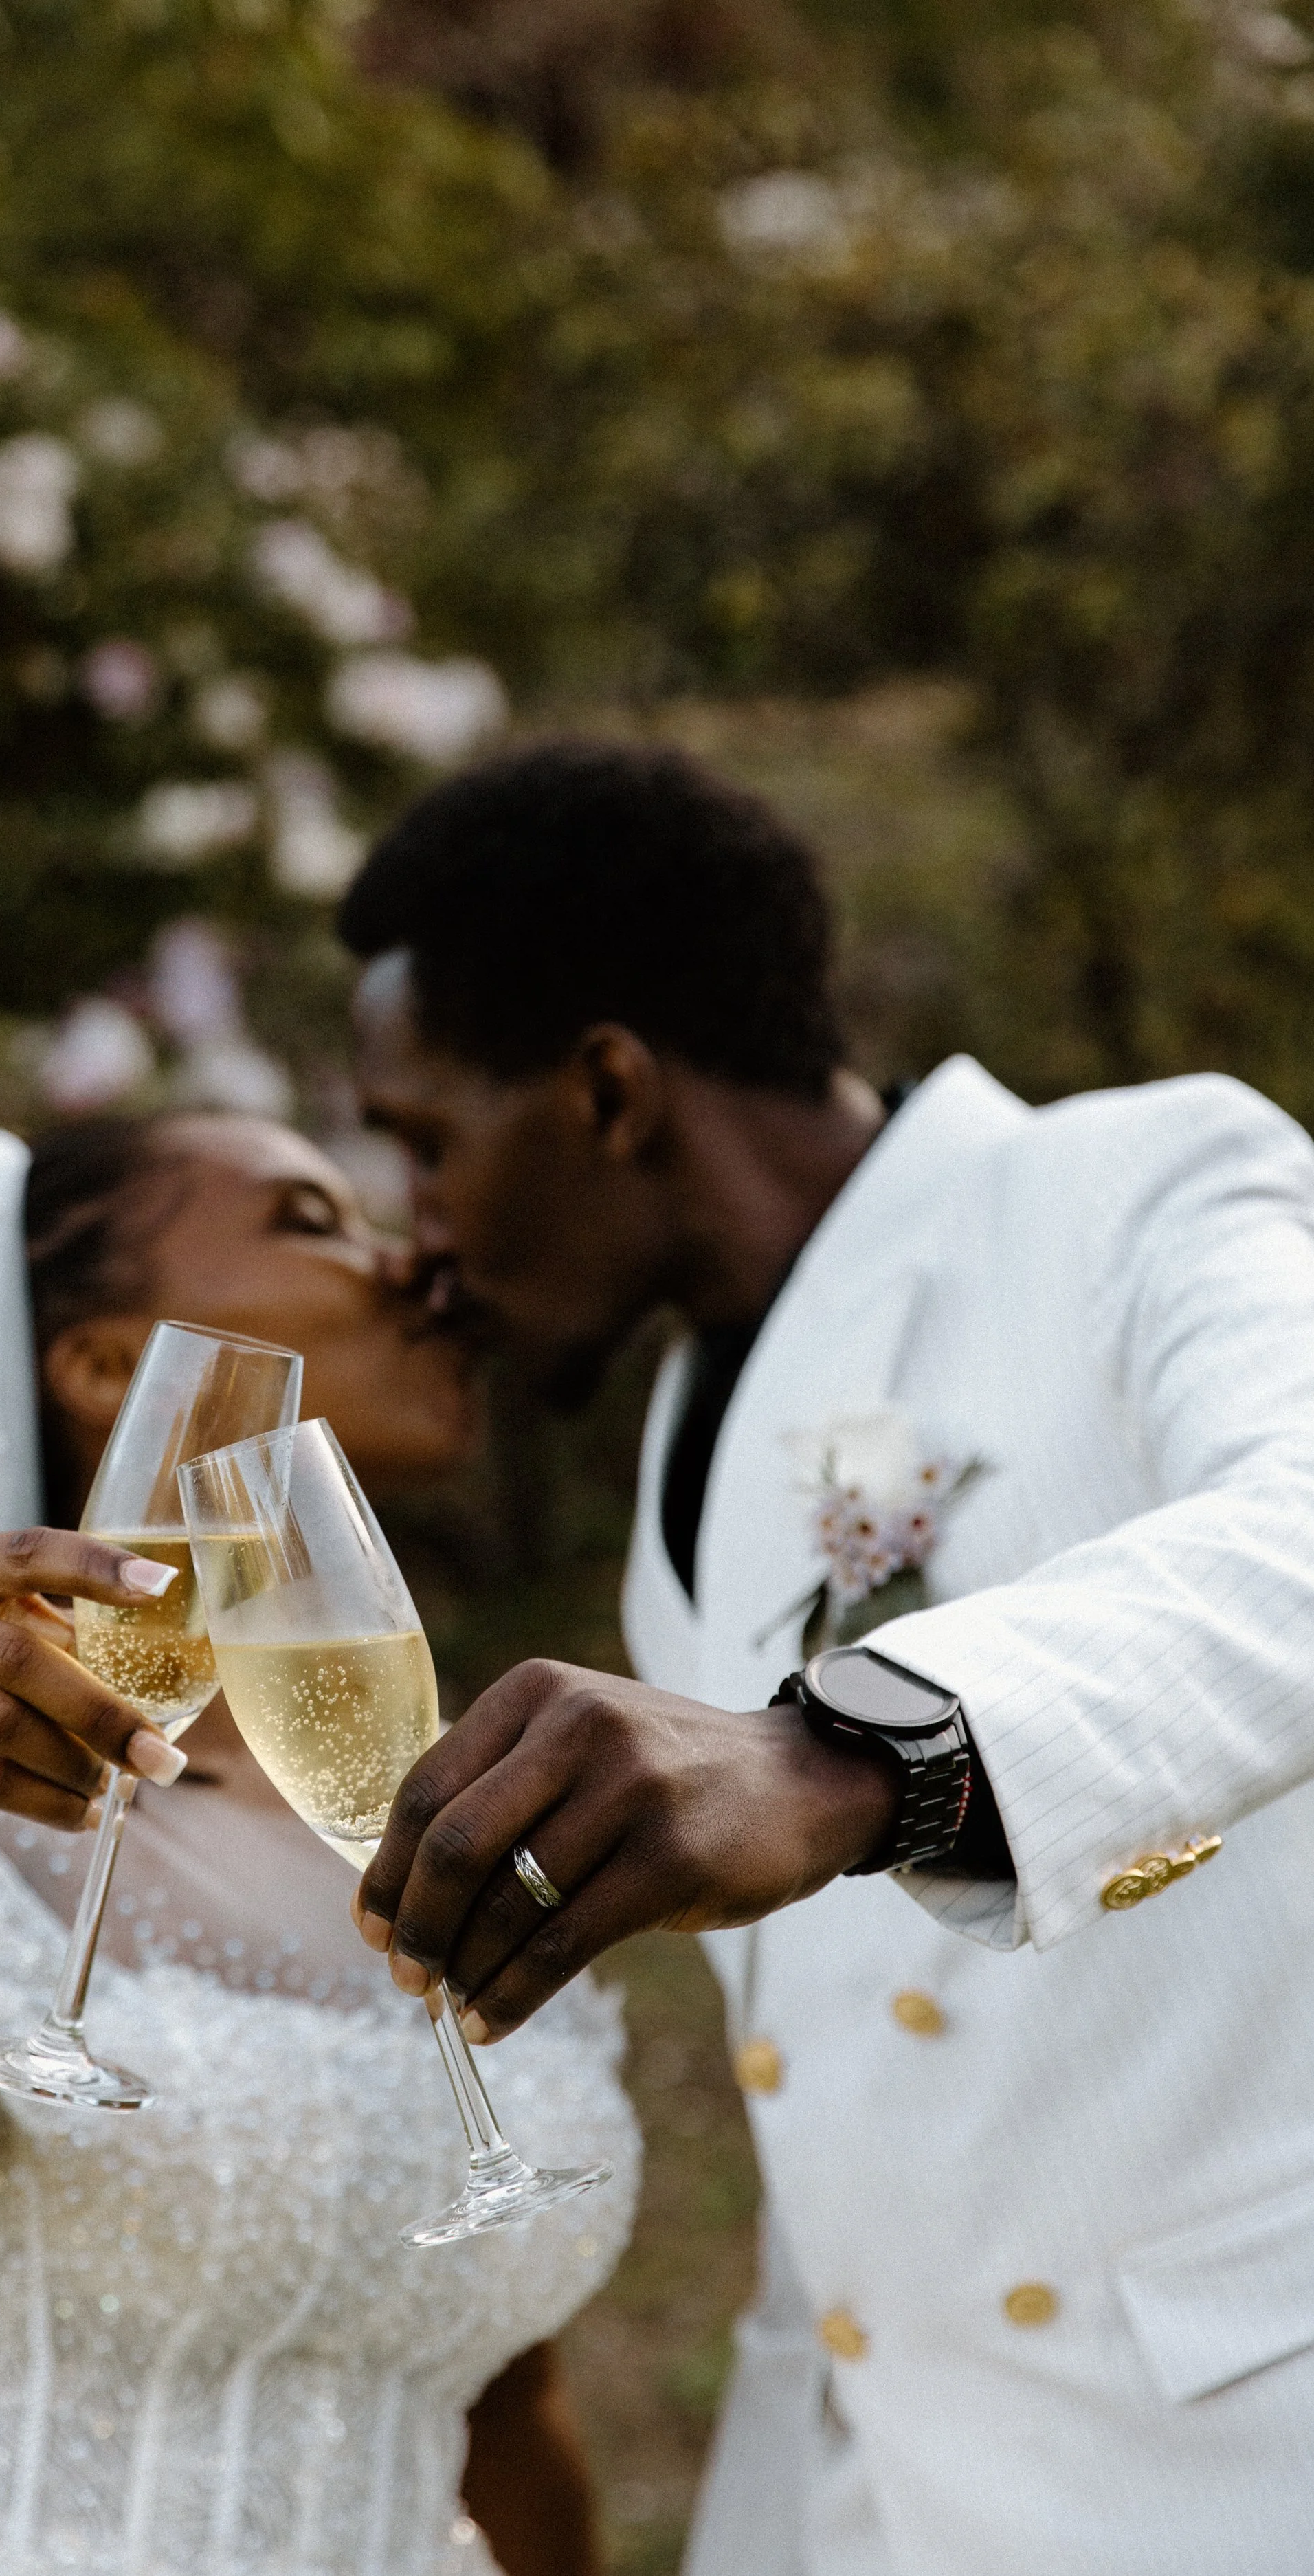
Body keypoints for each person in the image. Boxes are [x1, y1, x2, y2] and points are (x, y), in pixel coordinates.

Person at [339, 737, 1314, 2576]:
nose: (420, 1232)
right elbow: (841, 2097)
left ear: (606, 1086)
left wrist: (849, 1756)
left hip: (1238, 2468)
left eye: (422, 1141)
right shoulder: (675, 1454)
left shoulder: (1128, 1184)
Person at [0, 1111, 638, 2576]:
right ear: (102, 1366)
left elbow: (502, 2394)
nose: (409, 1265)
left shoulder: (436, 1800)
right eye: (307, 1216)